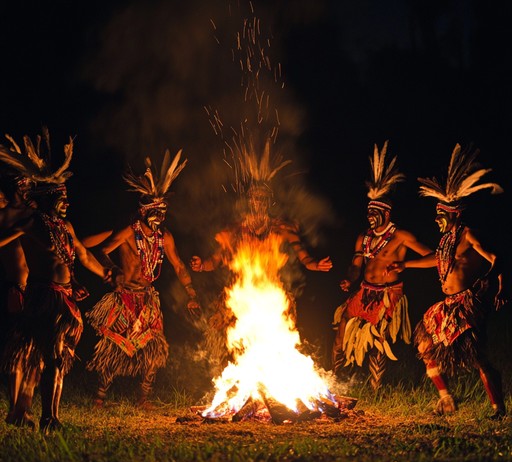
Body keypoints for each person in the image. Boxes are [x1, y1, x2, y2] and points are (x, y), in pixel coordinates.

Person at [0, 128, 117, 431]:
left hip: (65, 298)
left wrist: (103, 272)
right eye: (62, 198)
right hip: (44, 298)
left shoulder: (65, 226)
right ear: (49, 197)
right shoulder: (31, 221)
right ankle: (45, 417)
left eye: (67, 198)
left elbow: (83, 254)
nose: (67, 203)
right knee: (44, 359)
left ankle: (40, 414)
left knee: (55, 360)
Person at [387, 143, 507, 418]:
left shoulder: (468, 235)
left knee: (477, 358)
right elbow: (435, 259)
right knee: (424, 345)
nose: (437, 218)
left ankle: (498, 408)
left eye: (441, 214)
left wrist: (498, 285)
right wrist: (405, 264)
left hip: (466, 303)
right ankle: (446, 398)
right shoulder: (446, 241)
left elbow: (495, 258)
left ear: (454, 214)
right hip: (447, 303)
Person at [86, 149, 201, 407]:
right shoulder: (129, 231)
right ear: (144, 210)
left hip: (148, 299)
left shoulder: (165, 237)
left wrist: (191, 294)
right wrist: (110, 269)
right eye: (156, 211)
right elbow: (102, 250)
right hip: (124, 295)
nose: (160, 217)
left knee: (155, 348)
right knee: (113, 349)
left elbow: (180, 266)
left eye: (163, 212)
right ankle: (99, 398)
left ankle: (143, 398)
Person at [190, 178, 333, 373]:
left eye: (264, 198)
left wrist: (316, 265)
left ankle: (270, 381)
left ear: (269, 202)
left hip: (271, 295)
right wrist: (201, 266)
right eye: (256, 198)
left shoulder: (280, 229)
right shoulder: (235, 230)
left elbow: (304, 257)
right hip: (239, 296)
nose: (260, 202)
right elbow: (215, 260)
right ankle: (233, 383)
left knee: (273, 338)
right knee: (229, 340)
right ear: (250, 200)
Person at [332, 141, 432, 390]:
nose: (370, 216)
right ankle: (334, 378)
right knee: (341, 326)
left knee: (379, 337)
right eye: (369, 211)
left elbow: (433, 256)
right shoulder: (363, 237)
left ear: (386, 213)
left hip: (389, 294)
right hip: (364, 290)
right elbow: (356, 265)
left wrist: (406, 264)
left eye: (375, 211)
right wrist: (349, 279)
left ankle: (376, 388)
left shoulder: (402, 236)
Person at [0, 171, 36, 425]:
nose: (23, 192)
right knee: (17, 352)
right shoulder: (3, 216)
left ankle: (25, 407)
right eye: (19, 188)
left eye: (26, 187)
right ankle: (14, 407)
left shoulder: (34, 214)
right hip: (17, 288)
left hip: (39, 289)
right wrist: (19, 230)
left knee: (35, 350)